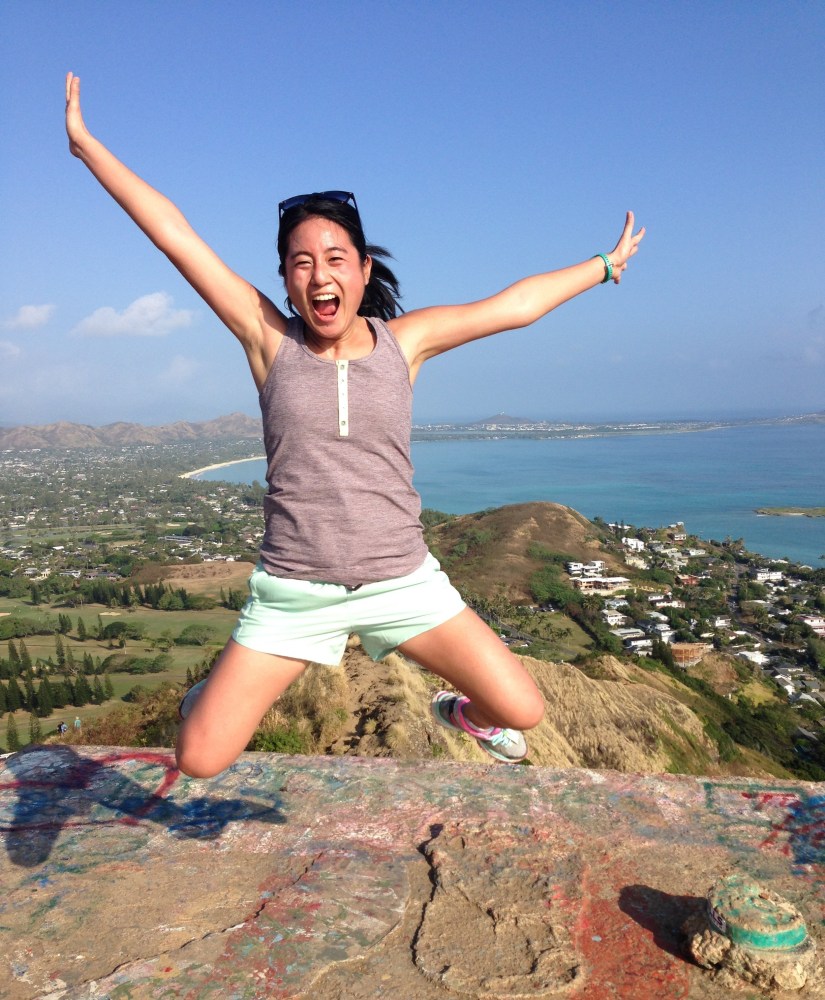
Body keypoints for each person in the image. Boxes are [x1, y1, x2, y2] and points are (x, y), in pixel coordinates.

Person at [65, 73, 644, 778]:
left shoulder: (407, 343)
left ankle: (460, 714)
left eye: (335, 259)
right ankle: (205, 699)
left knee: (521, 709)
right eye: (301, 263)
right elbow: (175, 236)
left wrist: (603, 266)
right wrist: (87, 146)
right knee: (200, 758)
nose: (319, 276)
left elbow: (514, 306)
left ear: (364, 270)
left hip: (402, 581)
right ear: (285, 280)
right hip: (294, 590)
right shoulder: (268, 340)